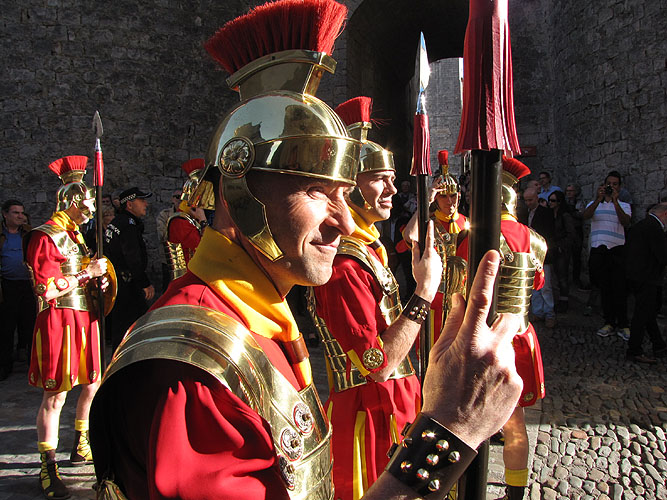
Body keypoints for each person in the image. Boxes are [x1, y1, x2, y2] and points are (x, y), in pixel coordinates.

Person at [89, 2, 522, 499]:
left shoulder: (260, 315)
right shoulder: (192, 372)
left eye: (345, 193)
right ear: (238, 190)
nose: (344, 221)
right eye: (316, 190)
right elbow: (373, 362)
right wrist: (450, 431)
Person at [308, 96, 441, 499]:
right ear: (349, 188)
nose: (392, 189)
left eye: (393, 178)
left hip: (394, 402)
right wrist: (424, 292)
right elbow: (378, 365)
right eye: (380, 179)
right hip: (369, 413)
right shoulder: (343, 267)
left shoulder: (369, 247)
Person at [24, 156, 110, 499]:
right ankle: (48, 466)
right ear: (73, 201)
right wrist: (87, 274)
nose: (92, 208)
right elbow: (46, 289)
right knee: (56, 395)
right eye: (87, 202)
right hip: (59, 319)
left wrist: (101, 281)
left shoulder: (76, 237)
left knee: (93, 383)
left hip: (85, 317)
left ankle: (81, 443)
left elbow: (85, 275)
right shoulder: (45, 237)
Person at [495, 157, 547, 500]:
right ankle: (515, 494)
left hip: (488, 338)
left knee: (470, 418)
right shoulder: (536, 240)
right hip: (522, 337)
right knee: (516, 423)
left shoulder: (476, 235)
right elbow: (538, 284)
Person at [405, 150, 469, 342]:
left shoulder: (467, 223)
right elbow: (409, 235)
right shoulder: (428, 223)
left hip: (462, 299)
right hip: (435, 296)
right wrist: (427, 200)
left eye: (453, 196)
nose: (449, 201)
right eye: (443, 197)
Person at [582, 170, 631, 339]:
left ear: (619, 187)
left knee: (620, 288)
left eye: (615, 184)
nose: (611, 187)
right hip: (599, 249)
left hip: (617, 249)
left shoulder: (624, 205)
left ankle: (623, 324)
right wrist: (598, 199)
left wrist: (615, 201)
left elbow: (626, 221)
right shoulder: (594, 204)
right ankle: (609, 321)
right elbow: (586, 216)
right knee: (605, 288)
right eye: (609, 184)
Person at [105, 187, 154, 351]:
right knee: (133, 326)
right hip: (127, 284)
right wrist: (144, 283)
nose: (146, 204)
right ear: (130, 204)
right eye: (142, 200)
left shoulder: (117, 222)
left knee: (123, 326)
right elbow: (132, 257)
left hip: (119, 282)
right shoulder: (127, 225)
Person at [624, 202, 667, 363]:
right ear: (665, 214)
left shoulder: (641, 225)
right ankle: (634, 349)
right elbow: (662, 255)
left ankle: (659, 345)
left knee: (648, 313)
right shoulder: (654, 228)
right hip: (647, 277)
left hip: (636, 275)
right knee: (642, 315)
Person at [0, 200, 36, 378]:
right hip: (7, 285)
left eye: (22, 212)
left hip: (28, 285)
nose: (20, 216)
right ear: (5, 214)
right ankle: (4, 366)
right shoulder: (2, 235)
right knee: (6, 327)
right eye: (15, 213)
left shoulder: (29, 233)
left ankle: (32, 366)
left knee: (30, 325)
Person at [165, 158, 210, 280]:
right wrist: (203, 220)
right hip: (186, 279)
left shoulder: (190, 219)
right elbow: (205, 249)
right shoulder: (180, 222)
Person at [520, 187, 556, 327]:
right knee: (533, 286)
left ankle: (549, 313)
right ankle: (538, 311)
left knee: (546, 286)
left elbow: (550, 233)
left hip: (543, 253)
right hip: (529, 253)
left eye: (530, 200)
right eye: (526, 200)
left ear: (537, 198)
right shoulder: (524, 213)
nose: (528, 203)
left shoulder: (546, 213)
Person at [548, 190, 575, 313]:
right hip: (554, 247)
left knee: (563, 276)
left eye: (553, 200)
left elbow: (571, 233)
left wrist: (562, 246)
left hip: (562, 249)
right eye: (550, 200)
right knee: (557, 275)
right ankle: (560, 299)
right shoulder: (551, 214)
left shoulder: (565, 215)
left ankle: (564, 301)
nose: (550, 203)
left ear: (559, 202)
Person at [156, 188, 182, 291]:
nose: (180, 200)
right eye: (177, 197)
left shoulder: (191, 214)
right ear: (172, 199)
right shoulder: (165, 215)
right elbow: (162, 235)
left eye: (182, 197)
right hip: (169, 258)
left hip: (186, 258)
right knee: (168, 287)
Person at [565, 183, 585, 288]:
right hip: (566, 231)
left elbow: (581, 214)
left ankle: (576, 279)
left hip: (576, 230)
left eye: (571, 191)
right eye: (567, 191)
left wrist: (572, 211)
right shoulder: (564, 202)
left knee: (576, 256)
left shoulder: (579, 202)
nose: (569, 193)